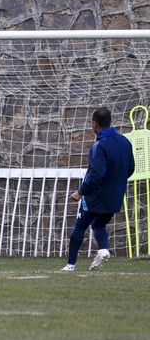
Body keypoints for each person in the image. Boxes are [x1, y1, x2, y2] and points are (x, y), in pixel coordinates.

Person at [61, 107, 135, 271]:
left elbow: (96, 174)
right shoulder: (125, 141)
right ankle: (102, 250)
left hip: (95, 195)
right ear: (110, 121)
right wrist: (115, 183)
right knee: (99, 225)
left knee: (81, 225)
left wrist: (80, 192)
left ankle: (70, 265)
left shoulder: (99, 145)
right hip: (115, 196)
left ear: (94, 123)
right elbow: (130, 168)